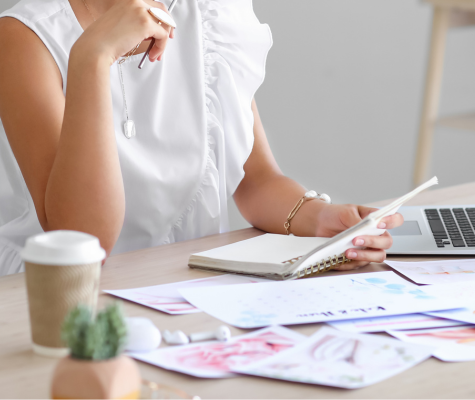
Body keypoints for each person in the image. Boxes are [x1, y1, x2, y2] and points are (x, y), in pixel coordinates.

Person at [0, 0, 403, 276]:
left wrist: (320, 220)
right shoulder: (24, 36)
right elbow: (83, 240)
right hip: (59, 298)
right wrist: (93, 56)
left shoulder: (211, 14)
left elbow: (257, 179)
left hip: (187, 286)